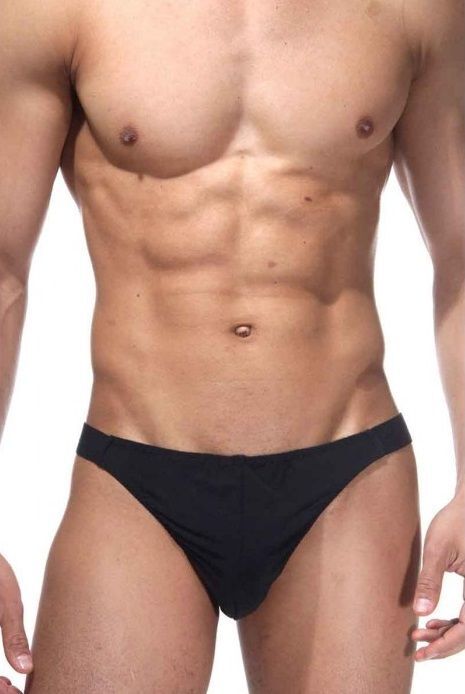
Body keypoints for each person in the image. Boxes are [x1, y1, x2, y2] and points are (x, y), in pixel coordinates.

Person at [0, 0, 464, 692]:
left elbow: (460, 254)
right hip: (135, 477)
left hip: (349, 476)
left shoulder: (416, 10)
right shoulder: (52, 10)